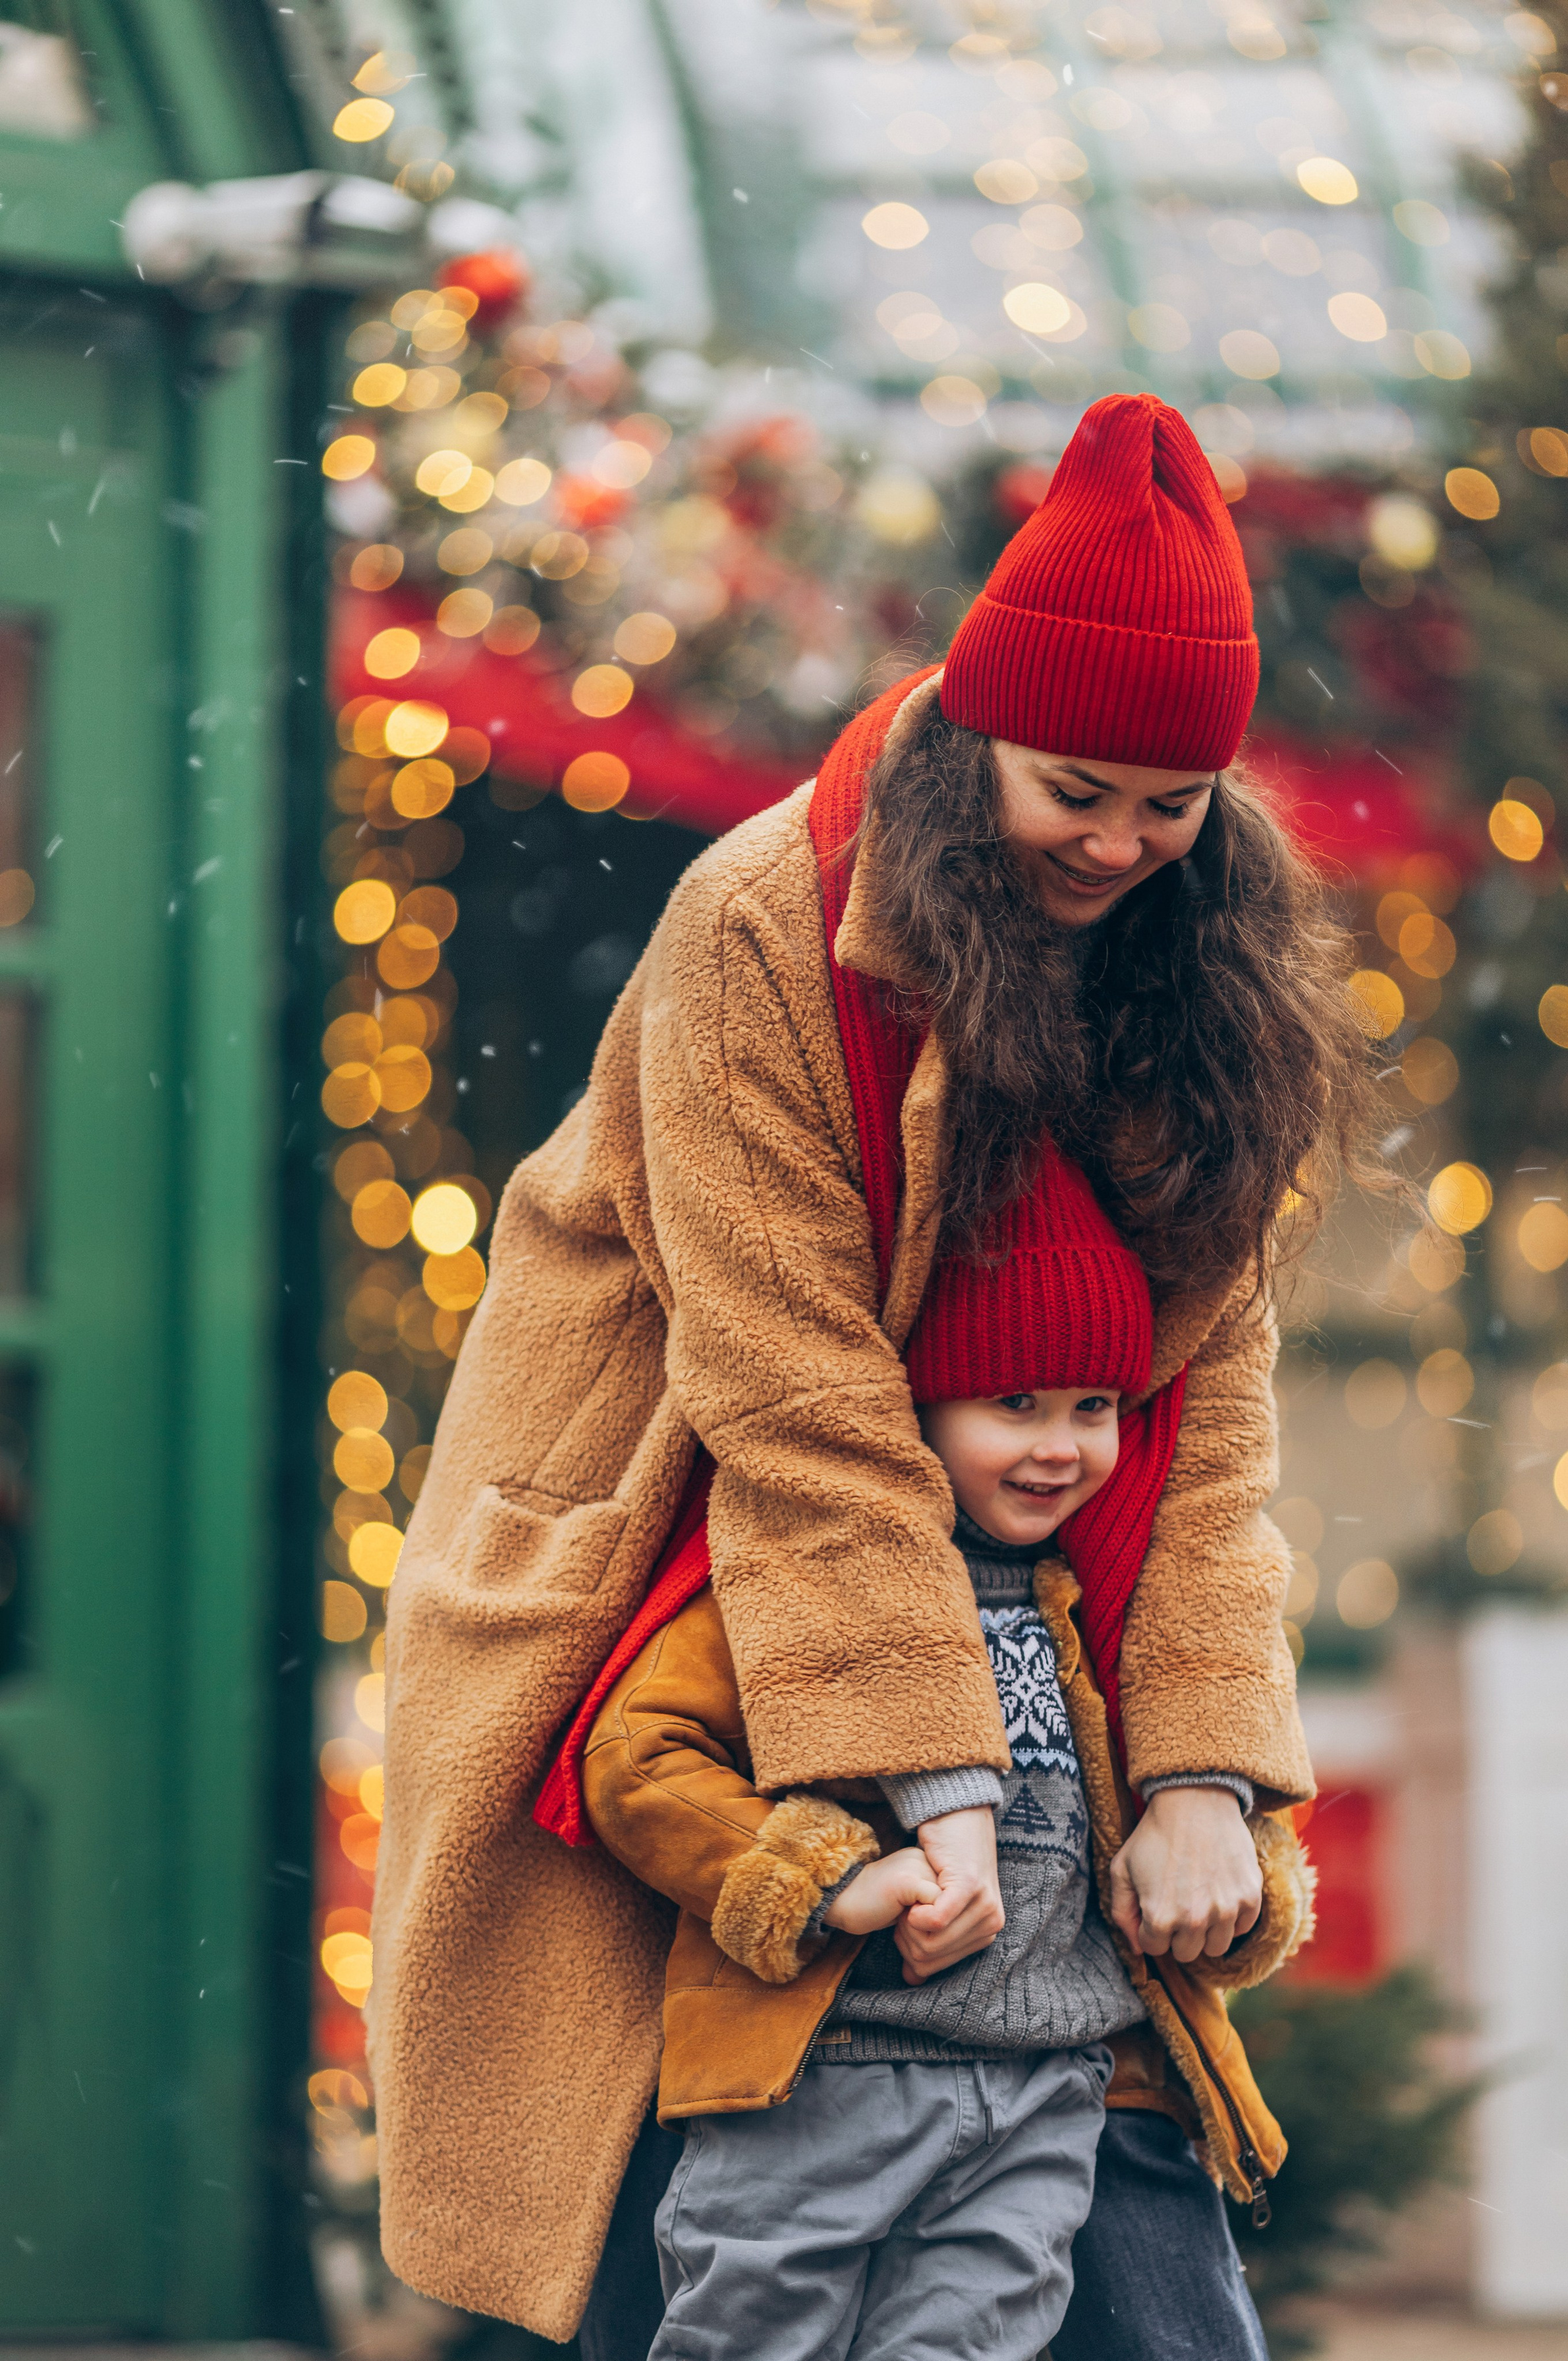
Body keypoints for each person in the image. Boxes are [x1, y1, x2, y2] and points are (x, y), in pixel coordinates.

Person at [368, 394, 1379, 2353]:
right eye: (1077, 787)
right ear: (986, 728)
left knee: (1101, 2174)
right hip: (692, 1488)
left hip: (1038, 1510)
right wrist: (940, 1784)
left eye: (1172, 805)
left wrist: (1200, 1776)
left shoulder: (1219, 951)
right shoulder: (762, 913)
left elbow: (1212, 1396)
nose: (1119, 843)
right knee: (679, 2155)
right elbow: (792, 1384)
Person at [578, 1142, 1313, 2361]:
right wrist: (825, 1878)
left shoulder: (1096, 1600)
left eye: (1093, 1407)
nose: (1059, 1446)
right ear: (921, 1407)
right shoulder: (799, 1580)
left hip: (1043, 2094)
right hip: (827, 2078)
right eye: (1012, 1404)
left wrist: (1230, 1871)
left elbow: (1183, 1805)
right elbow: (637, 1761)